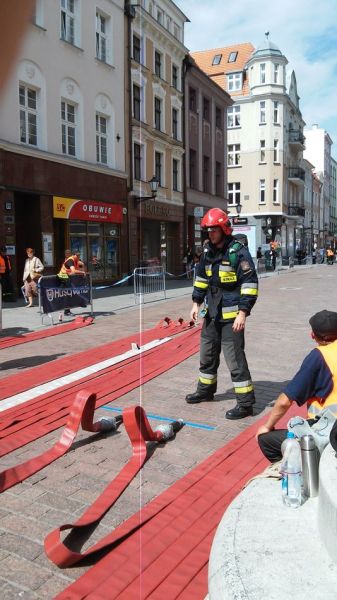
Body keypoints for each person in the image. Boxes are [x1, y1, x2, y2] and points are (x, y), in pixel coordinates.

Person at [185, 208, 258, 420]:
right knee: (207, 353)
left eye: (214, 230)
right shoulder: (207, 252)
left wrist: (243, 313)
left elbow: (250, 284)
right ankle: (205, 391)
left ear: (224, 229)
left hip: (232, 315)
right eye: (208, 230)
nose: (210, 233)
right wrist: (195, 303)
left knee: (234, 359)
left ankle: (245, 404)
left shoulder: (238, 252)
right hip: (212, 312)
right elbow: (201, 279)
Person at [256, 310, 337, 462]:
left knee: (266, 440)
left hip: (328, 432)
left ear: (312, 334)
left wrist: (268, 426)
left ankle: (299, 474)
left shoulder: (319, 357)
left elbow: (284, 401)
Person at [59, 249, 86, 316]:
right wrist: (82, 272)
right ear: (73, 255)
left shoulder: (77, 260)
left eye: (79, 255)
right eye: (77, 255)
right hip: (63, 277)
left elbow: (84, 269)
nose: (79, 257)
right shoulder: (70, 260)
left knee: (75, 291)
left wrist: (83, 265)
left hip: (69, 278)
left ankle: (79, 302)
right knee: (67, 294)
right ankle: (66, 311)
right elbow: (73, 271)